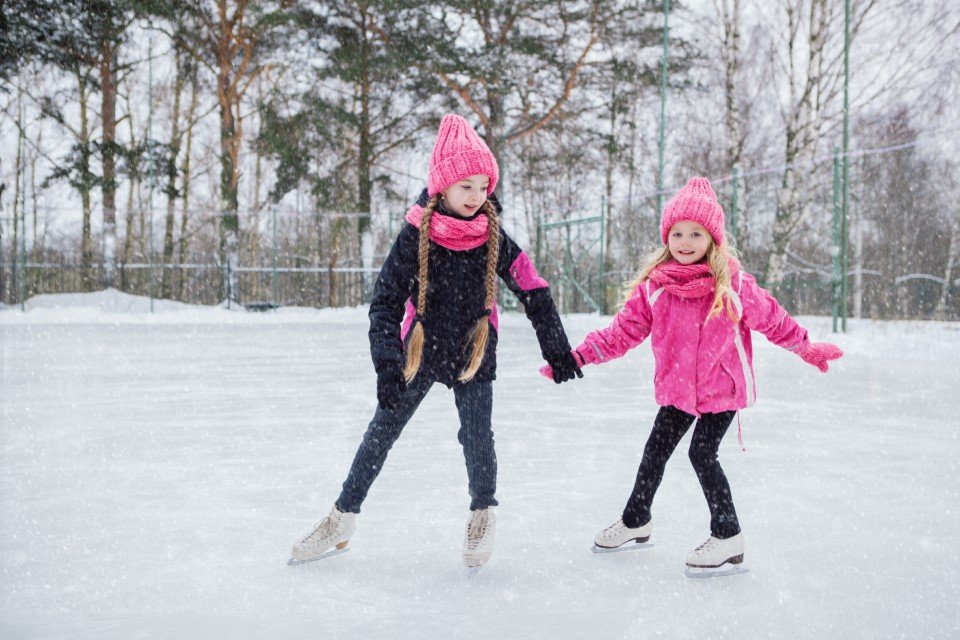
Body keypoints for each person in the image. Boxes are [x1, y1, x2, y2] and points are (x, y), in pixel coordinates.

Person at [290, 114, 582, 569]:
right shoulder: (414, 234)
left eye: (484, 186)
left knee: (477, 437)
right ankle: (342, 516)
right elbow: (384, 303)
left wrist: (557, 347)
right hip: (419, 351)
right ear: (442, 186)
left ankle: (483, 512)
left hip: (474, 352)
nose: (477, 196)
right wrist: (388, 365)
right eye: (466, 185)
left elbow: (533, 287)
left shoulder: (492, 236)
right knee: (381, 432)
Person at [541, 177, 842, 573]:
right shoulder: (656, 287)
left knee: (702, 453)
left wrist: (804, 346)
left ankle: (727, 535)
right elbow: (621, 332)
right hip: (679, 389)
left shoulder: (730, 282)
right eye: (677, 233)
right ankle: (636, 520)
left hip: (722, 388)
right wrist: (577, 357)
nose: (685, 241)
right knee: (655, 452)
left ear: (712, 239)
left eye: (695, 233)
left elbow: (771, 317)